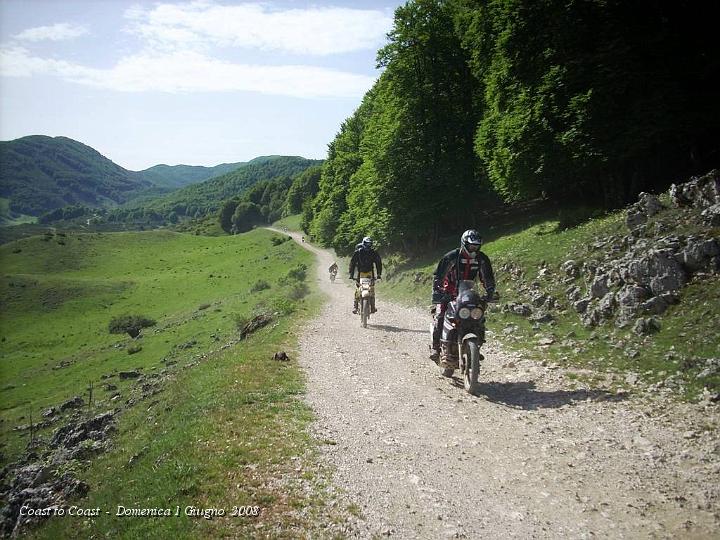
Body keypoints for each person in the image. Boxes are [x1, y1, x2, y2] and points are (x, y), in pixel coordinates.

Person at [431, 229, 495, 367]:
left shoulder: (482, 259)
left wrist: (489, 292)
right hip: (449, 293)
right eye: (472, 246)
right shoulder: (451, 257)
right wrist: (438, 292)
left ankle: (475, 347)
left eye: (477, 246)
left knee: (479, 317)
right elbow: (439, 276)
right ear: (464, 243)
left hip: (469, 293)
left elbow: (487, 277)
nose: (474, 249)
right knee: (441, 316)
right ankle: (436, 348)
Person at [349, 236, 382, 314]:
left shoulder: (374, 252)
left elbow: (378, 263)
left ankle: (373, 306)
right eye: (367, 244)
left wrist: (379, 274)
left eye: (370, 244)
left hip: (370, 273)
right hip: (360, 273)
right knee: (358, 289)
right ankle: (355, 306)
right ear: (363, 243)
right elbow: (352, 263)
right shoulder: (358, 252)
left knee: (372, 289)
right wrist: (351, 274)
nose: (368, 246)